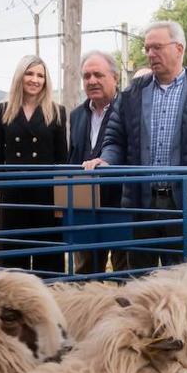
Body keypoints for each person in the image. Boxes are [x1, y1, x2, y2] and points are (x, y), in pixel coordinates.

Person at [84, 20, 187, 269]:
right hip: (141, 207)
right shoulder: (133, 93)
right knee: (141, 284)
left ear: (179, 49)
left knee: (184, 287)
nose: (150, 54)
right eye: (147, 48)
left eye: (157, 47)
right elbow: (115, 140)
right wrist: (105, 160)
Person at [0, 54, 69, 274]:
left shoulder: (57, 111)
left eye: (40, 75)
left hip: (46, 199)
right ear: (20, 76)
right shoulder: (2, 110)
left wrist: (59, 198)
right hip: (13, 198)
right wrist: (2, 187)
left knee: (48, 260)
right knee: (13, 260)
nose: (35, 80)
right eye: (30, 73)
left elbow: (62, 159)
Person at [68, 50, 123, 274]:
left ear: (115, 78)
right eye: (86, 76)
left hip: (120, 205)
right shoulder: (77, 115)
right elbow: (73, 157)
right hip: (86, 207)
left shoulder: (129, 109)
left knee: (124, 273)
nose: (92, 81)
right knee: (84, 273)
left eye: (98, 75)